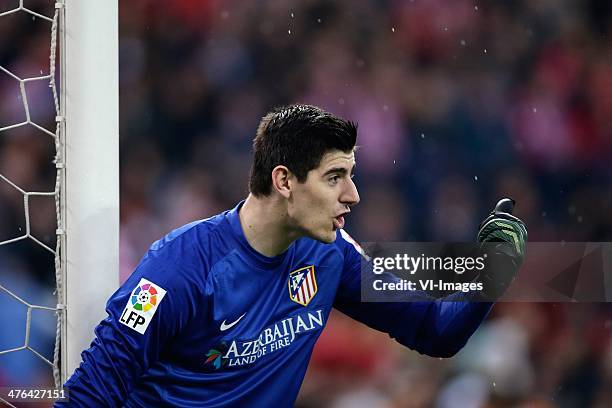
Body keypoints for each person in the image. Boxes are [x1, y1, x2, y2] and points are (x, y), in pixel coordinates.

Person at [55, 104, 527, 407]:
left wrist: (492, 269)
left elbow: (435, 330)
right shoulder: (175, 272)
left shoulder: (329, 254)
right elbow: (89, 397)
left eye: (352, 174)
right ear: (284, 181)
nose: (354, 195)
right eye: (335, 177)